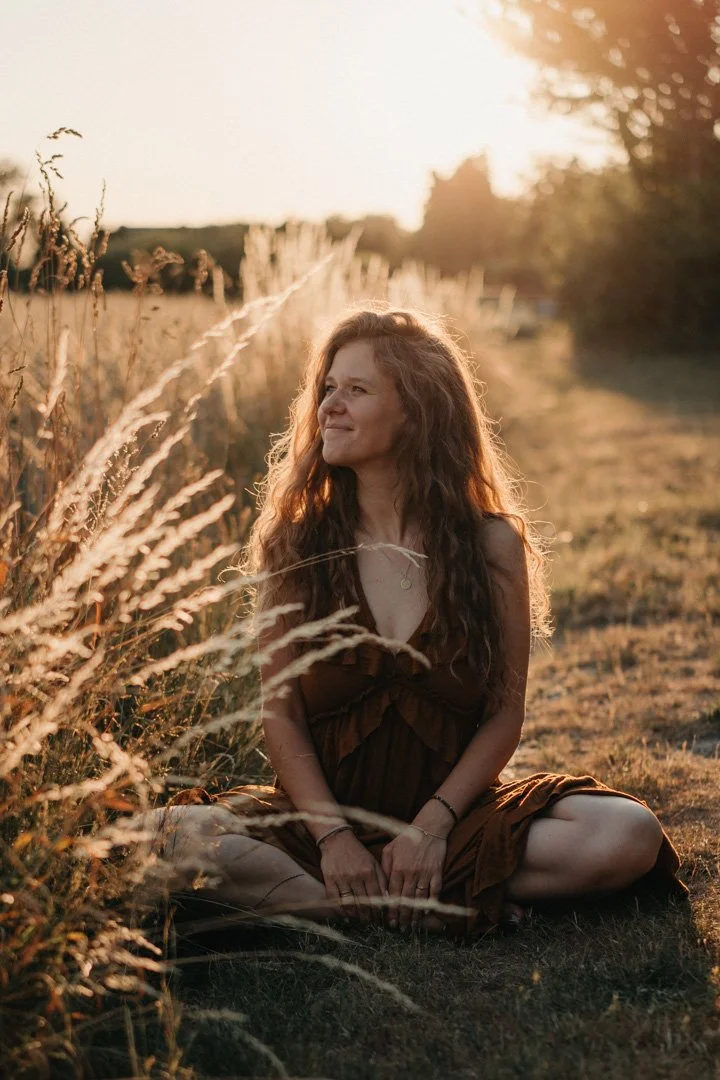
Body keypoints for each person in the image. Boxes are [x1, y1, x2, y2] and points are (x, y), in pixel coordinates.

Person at [142, 304, 687, 940]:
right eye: (327, 389)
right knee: (164, 833)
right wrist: (337, 839)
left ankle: (349, 902)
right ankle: (410, 900)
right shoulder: (297, 544)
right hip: (317, 825)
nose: (329, 407)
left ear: (417, 412)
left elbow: (504, 715)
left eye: (357, 389)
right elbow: (280, 713)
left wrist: (431, 828)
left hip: (452, 823)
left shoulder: (490, 545)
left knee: (625, 834)